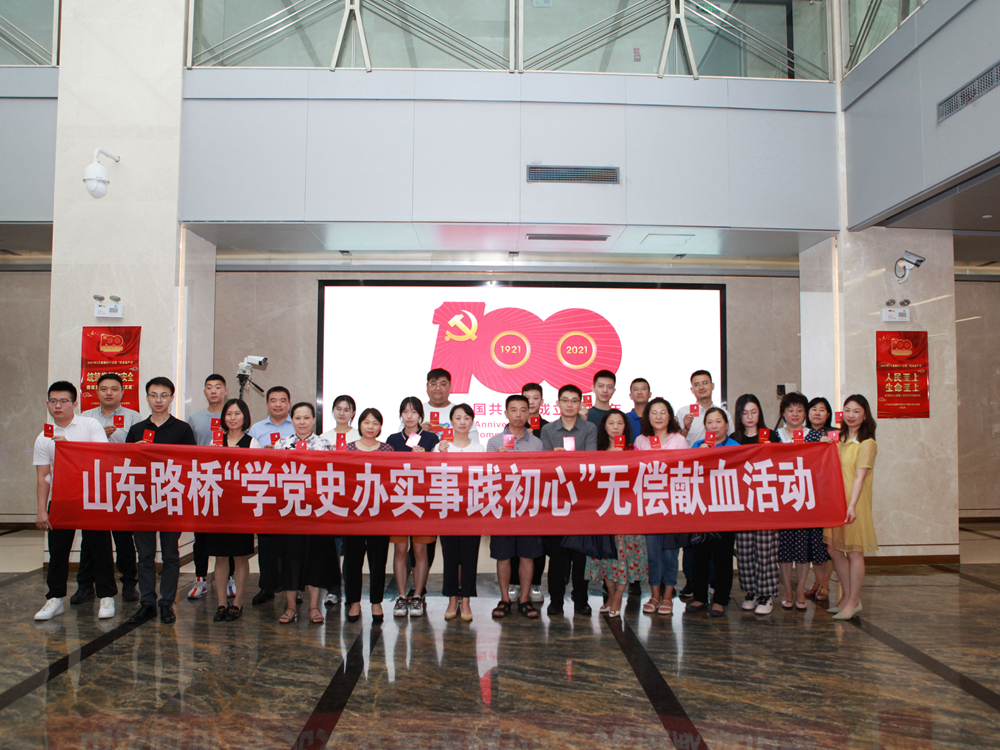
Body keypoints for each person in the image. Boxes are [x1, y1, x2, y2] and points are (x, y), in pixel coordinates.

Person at [33, 381, 117, 622]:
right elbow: (43, 477)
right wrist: (41, 510)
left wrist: (69, 448)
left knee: (99, 547)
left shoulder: (90, 425)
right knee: (58, 550)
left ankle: (106, 596)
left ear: (74, 403)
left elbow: (101, 459)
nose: (58, 406)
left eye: (63, 401)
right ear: (47, 404)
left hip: (92, 498)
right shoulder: (44, 437)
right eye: (53, 401)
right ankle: (55, 598)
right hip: (62, 500)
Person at [125, 377, 197, 624]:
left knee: (170, 555)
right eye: (153, 395)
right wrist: (134, 451)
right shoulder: (137, 430)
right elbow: (126, 466)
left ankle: (166, 603)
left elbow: (190, 465)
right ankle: (147, 602)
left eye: (164, 395)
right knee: (145, 555)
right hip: (143, 500)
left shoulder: (182, 429)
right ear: (147, 398)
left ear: (171, 398)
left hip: (171, 499)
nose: (158, 400)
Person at [78, 372, 141, 604]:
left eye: (114, 389)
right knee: (91, 537)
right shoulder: (85, 418)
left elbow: (139, 450)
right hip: (94, 485)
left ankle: (129, 584)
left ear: (122, 392)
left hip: (121, 483)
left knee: (123, 537)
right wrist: (97, 437)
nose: (109, 393)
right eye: (104, 389)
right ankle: (85, 585)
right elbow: (77, 450)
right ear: (96, 392)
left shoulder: (134, 417)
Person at [271, 403, 334, 624]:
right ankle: (290, 607)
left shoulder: (324, 444)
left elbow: (330, 476)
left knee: (315, 559)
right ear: (292, 420)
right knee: (291, 559)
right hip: (289, 511)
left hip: (316, 510)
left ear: (313, 420)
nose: (302, 422)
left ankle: (314, 607)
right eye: (298, 418)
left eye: (306, 418)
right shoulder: (281, 444)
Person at [539, 385, 597, 616]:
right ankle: (556, 601)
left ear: (581, 404)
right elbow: (544, 464)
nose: (570, 405)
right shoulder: (548, 429)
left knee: (581, 555)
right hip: (557, 499)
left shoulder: (590, 428)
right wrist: (554, 457)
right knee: (557, 555)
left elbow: (590, 461)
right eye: (565, 400)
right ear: (558, 404)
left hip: (582, 499)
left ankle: (581, 600)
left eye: (574, 400)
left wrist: (564, 458)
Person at [487, 395, 544, 620]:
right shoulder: (494, 442)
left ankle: (524, 600)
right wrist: (496, 462)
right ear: (505, 413)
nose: (518, 414)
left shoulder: (537, 444)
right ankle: (504, 599)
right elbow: (486, 477)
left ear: (529, 413)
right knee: (503, 556)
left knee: (527, 556)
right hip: (502, 507)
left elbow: (541, 476)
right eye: (513, 410)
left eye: (523, 410)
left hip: (528, 507)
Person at [586, 409, 647, 618]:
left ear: (625, 427)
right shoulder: (597, 451)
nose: (615, 427)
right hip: (603, 512)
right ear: (604, 426)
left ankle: (619, 595)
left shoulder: (634, 450)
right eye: (611, 423)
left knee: (624, 555)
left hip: (627, 512)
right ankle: (611, 594)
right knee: (606, 556)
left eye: (619, 423)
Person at [202, 398, 258, 622]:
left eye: (237, 413)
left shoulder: (252, 443)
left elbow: (256, 475)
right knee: (221, 556)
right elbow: (206, 471)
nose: (233, 418)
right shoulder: (215, 441)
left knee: (240, 556)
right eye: (228, 414)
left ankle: (237, 603)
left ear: (245, 417)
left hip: (241, 506)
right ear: (223, 418)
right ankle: (221, 603)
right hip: (219, 505)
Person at [825, 395, 878, 621]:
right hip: (836, 501)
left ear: (865, 415)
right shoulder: (840, 439)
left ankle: (854, 601)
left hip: (854, 503)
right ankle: (848, 597)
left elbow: (859, 477)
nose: (851, 415)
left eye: (856, 411)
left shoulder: (867, 443)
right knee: (834, 549)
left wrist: (852, 505)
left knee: (854, 552)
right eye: (847, 410)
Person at [634, 397, 688, 615]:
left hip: (672, 505)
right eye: (654, 412)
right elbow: (635, 472)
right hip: (649, 504)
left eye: (663, 412)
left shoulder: (679, 440)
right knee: (652, 553)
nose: (658, 416)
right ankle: (655, 595)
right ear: (648, 417)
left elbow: (684, 471)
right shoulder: (640, 441)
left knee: (670, 554)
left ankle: (668, 596)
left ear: (670, 416)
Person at [387, 397, 439, 618]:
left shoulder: (431, 438)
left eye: (414, 412)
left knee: (420, 550)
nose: (409, 416)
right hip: (399, 501)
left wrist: (426, 458)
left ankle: (418, 595)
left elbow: (439, 469)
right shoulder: (392, 439)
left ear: (420, 415)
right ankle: (401, 596)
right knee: (400, 550)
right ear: (401, 414)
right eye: (405, 412)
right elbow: (386, 470)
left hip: (422, 500)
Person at [686, 408, 739, 618]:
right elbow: (688, 473)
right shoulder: (698, 446)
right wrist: (700, 454)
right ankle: (700, 596)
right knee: (700, 555)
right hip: (702, 507)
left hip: (726, 508)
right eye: (710, 422)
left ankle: (720, 599)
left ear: (726, 425)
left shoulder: (736, 447)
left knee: (723, 556)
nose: (714, 426)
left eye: (718, 421)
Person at [731, 394, 781, 615]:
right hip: (742, 503)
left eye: (753, 412)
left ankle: (766, 594)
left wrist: (773, 450)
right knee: (744, 551)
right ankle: (750, 592)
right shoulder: (734, 438)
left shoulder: (771, 435)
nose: (749, 417)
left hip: (765, 501)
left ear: (759, 413)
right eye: (744, 413)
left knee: (765, 549)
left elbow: (784, 465)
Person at [246, 386, 295, 606]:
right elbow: (248, 461)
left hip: (290, 490)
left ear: (289, 404)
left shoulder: (296, 426)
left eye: (282, 400)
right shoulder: (256, 429)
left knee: (290, 542)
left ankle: (292, 587)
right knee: (265, 544)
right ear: (267, 404)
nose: (277, 404)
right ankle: (266, 587)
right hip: (265, 491)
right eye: (273, 400)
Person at [343, 408, 393, 623]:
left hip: (379, 513)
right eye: (366, 422)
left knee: (378, 560)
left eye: (375, 423)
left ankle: (376, 602)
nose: (370, 427)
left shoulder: (388, 449)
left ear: (380, 426)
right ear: (359, 424)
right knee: (353, 560)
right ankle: (354, 601)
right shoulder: (348, 448)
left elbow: (392, 479)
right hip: (353, 512)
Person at [435, 403, 483, 622]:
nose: (462, 422)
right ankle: (452, 599)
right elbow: (433, 476)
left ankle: (467, 601)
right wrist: (439, 455)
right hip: (448, 509)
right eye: (458, 418)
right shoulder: (441, 447)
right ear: (451, 421)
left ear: (472, 422)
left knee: (470, 556)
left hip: (472, 509)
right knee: (450, 556)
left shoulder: (479, 448)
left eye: (466, 418)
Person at [186, 374, 232, 602]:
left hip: (228, 482)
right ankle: (200, 579)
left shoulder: (232, 416)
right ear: (204, 391)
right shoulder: (195, 418)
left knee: (229, 534)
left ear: (225, 391)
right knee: (201, 535)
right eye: (209, 387)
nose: (213, 391)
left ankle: (229, 577)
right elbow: (189, 450)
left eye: (218, 387)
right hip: (202, 481)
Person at [510, 382, 549, 603]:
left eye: (535, 398)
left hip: (538, 493)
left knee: (536, 542)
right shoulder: (508, 430)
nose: (531, 402)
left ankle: (535, 584)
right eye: (527, 398)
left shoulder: (549, 428)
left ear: (542, 401)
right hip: (514, 493)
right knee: (514, 540)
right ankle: (514, 583)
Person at [772, 391, 811, 609]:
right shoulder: (774, 436)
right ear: (783, 413)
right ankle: (787, 588)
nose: (795, 414)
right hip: (781, 498)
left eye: (799, 410)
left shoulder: (815, 436)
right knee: (784, 548)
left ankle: (801, 589)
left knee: (803, 548)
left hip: (807, 498)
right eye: (790, 410)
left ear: (805, 413)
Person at [317, 393, 357, 606]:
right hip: (330, 498)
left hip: (353, 498)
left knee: (351, 550)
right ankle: (333, 590)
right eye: (338, 409)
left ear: (353, 413)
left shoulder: (359, 435)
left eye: (346, 409)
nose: (342, 413)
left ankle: (351, 589)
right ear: (333, 411)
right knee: (332, 548)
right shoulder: (323, 437)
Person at [796, 397, 835, 603]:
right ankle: (817, 582)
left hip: (827, 495)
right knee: (814, 543)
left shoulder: (834, 434)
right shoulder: (803, 435)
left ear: (828, 414)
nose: (817, 413)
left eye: (822, 409)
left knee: (827, 544)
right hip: (807, 494)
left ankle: (825, 584)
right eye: (814, 409)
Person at [417, 367, 480, 444]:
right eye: (433, 384)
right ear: (427, 386)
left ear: (450, 386)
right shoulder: (416, 411)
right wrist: (418, 432)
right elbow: (404, 443)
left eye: (443, 384)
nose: (438, 388)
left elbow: (474, 445)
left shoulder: (460, 413)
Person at [675, 370, 733, 447]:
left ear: (712, 386)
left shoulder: (724, 413)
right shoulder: (683, 412)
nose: (701, 387)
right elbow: (675, 444)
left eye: (705, 383)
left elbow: (732, 440)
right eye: (697, 384)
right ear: (692, 390)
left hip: (719, 454)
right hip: (693, 454)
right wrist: (685, 429)